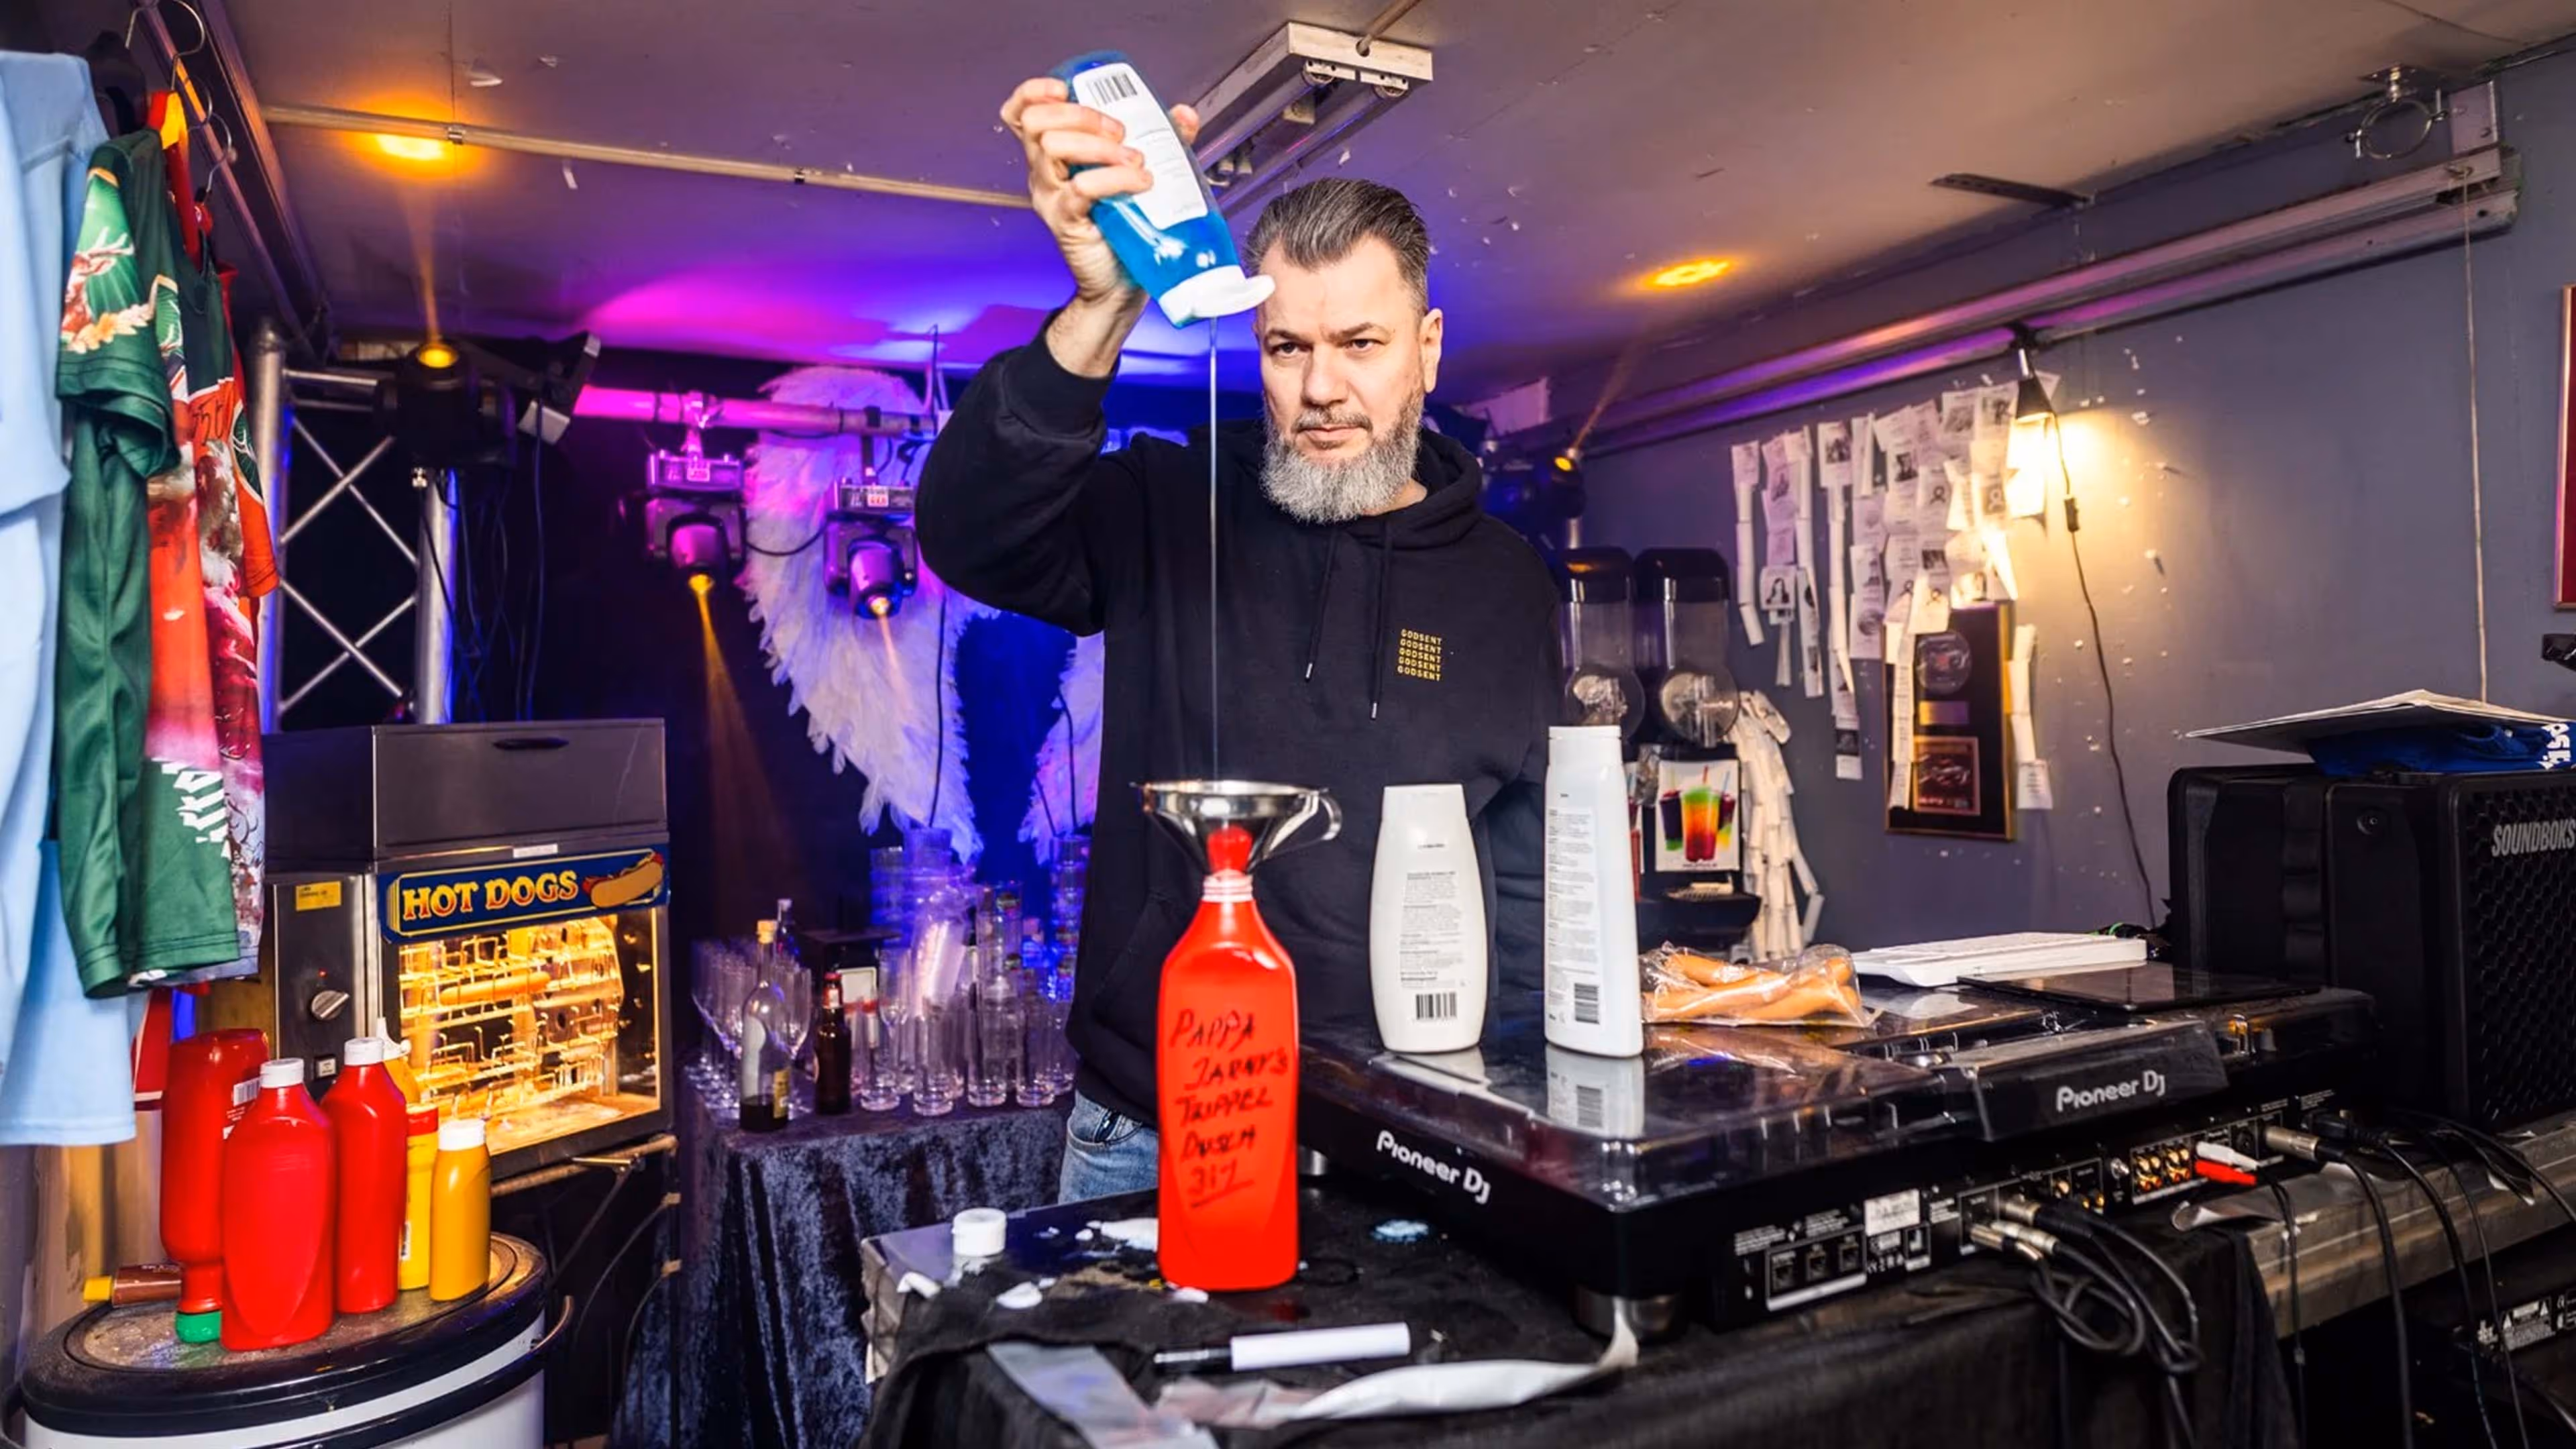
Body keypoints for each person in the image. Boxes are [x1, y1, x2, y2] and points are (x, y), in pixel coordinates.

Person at [918, 77, 1560, 1203]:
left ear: (1427, 347)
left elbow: (1523, 871)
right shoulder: (1173, 503)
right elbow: (968, 533)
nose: (1321, 388)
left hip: (1411, 1130)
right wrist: (1102, 308)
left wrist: (1524, 1117)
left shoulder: (1506, 581)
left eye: (1360, 343)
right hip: (1155, 1130)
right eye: (1286, 347)